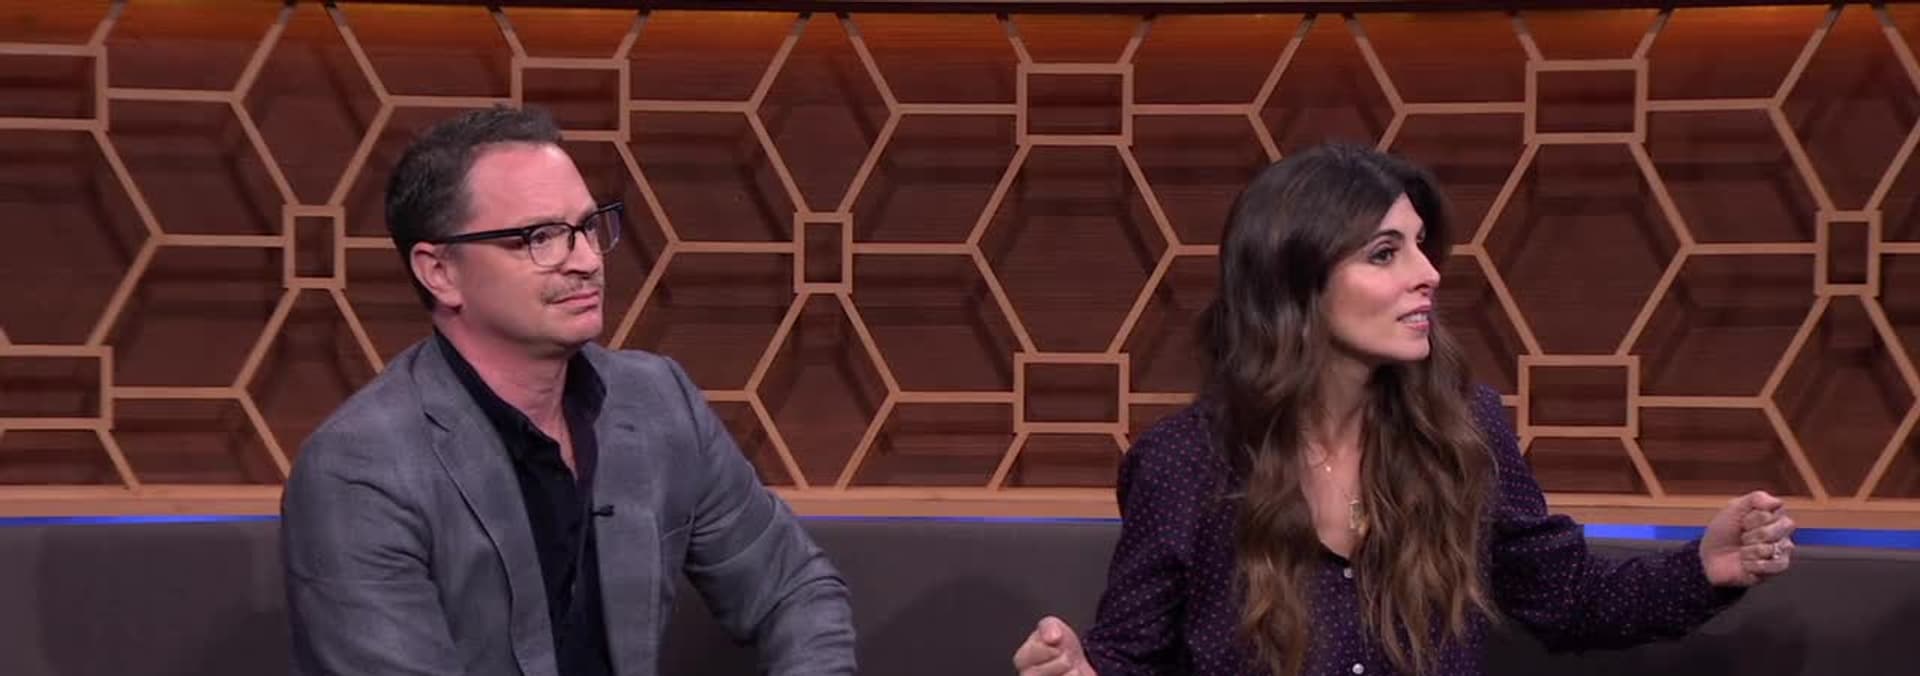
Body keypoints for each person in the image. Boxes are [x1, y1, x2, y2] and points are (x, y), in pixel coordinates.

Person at [1010, 143, 1795, 676]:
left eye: (1421, 245)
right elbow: (1130, 658)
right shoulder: (1182, 464)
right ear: (1296, 283)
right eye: (1386, 253)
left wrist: (1705, 567)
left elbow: (1565, 599)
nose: (1428, 274)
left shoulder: (1466, 430)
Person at [281, 105, 856, 676]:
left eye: (586, 227)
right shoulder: (359, 471)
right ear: (441, 272)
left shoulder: (658, 402)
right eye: (540, 237)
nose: (585, 261)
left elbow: (795, 588)